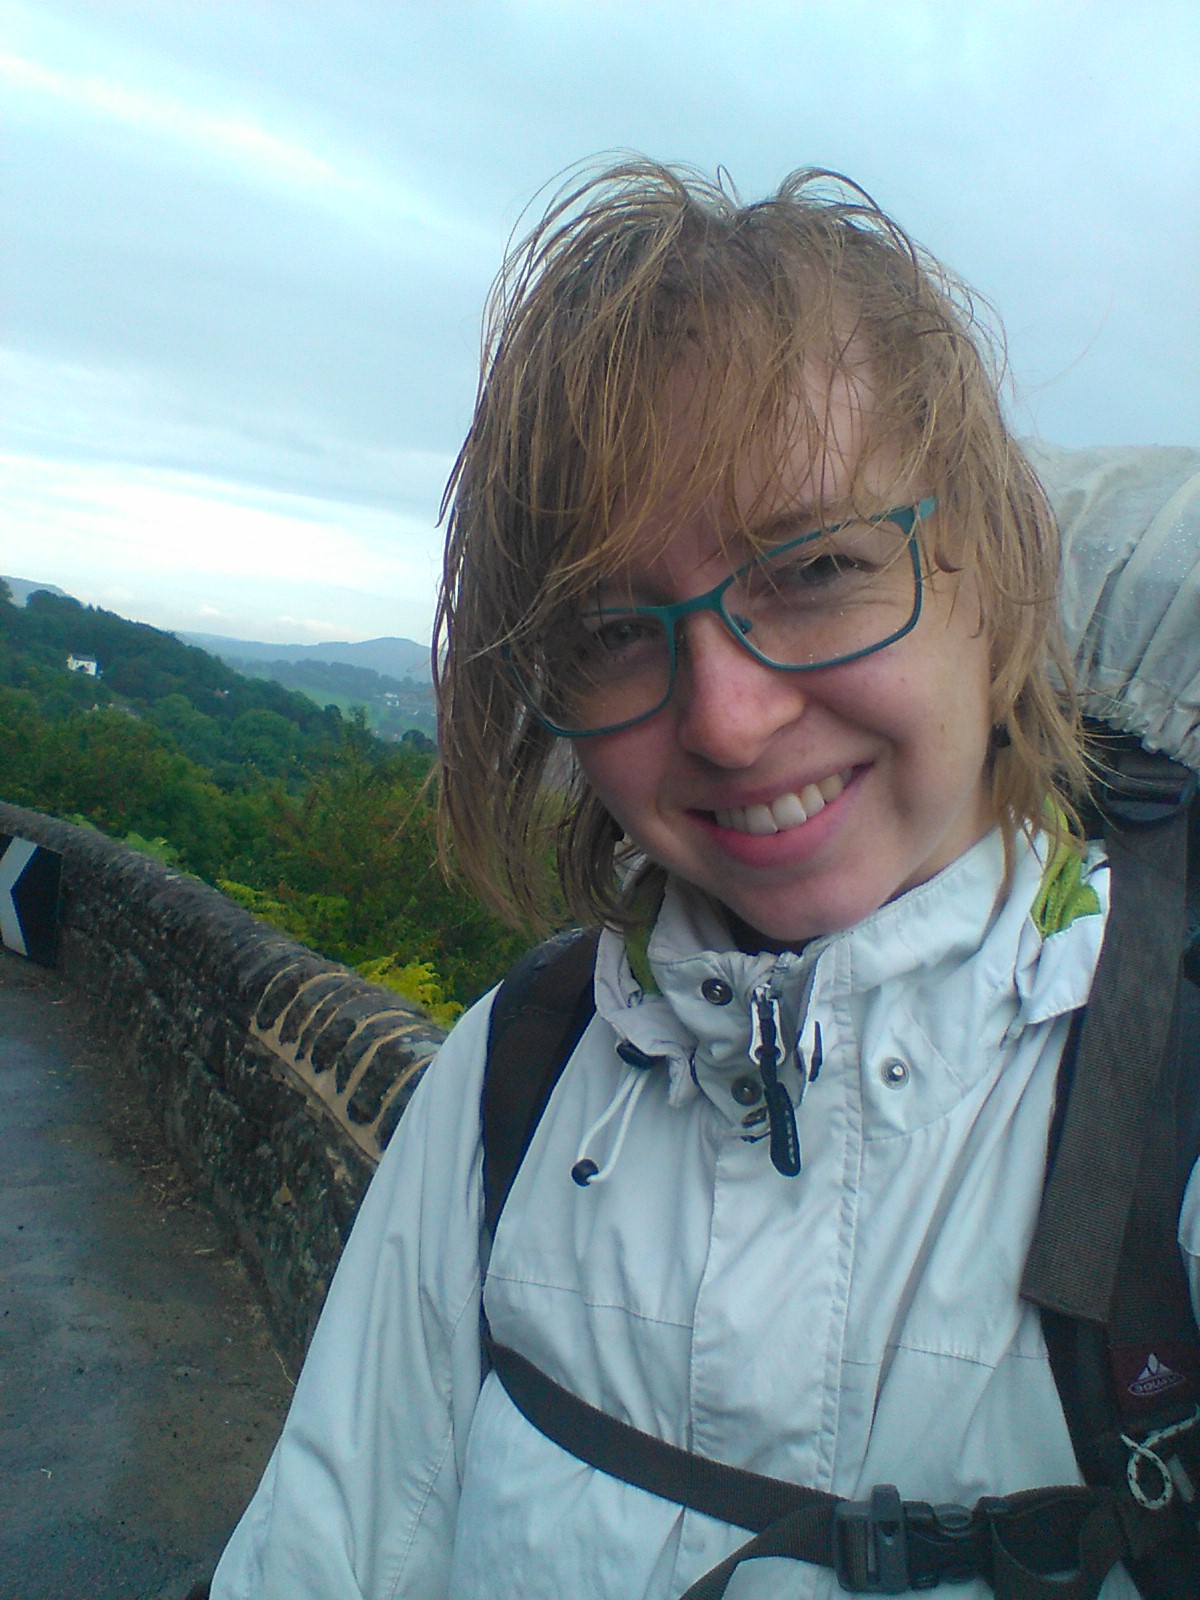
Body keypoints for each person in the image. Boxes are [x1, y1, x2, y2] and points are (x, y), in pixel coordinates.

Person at [211, 163, 1200, 1600]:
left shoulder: (1171, 1087)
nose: (727, 721)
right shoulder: (516, 1073)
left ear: (993, 569)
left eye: (816, 568)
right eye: (615, 631)